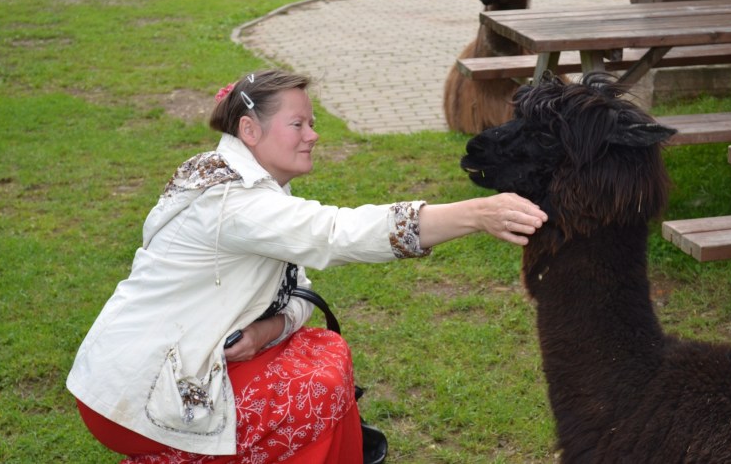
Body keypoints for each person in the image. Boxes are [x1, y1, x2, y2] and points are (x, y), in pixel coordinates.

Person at [66, 70, 547, 464]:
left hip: (163, 370)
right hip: (138, 395)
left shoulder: (246, 182)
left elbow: (298, 286)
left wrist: (269, 328)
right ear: (249, 131)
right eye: (298, 124)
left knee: (326, 354)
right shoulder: (234, 202)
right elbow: (335, 233)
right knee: (314, 392)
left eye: (311, 123)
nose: (314, 135)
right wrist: (475, 214)